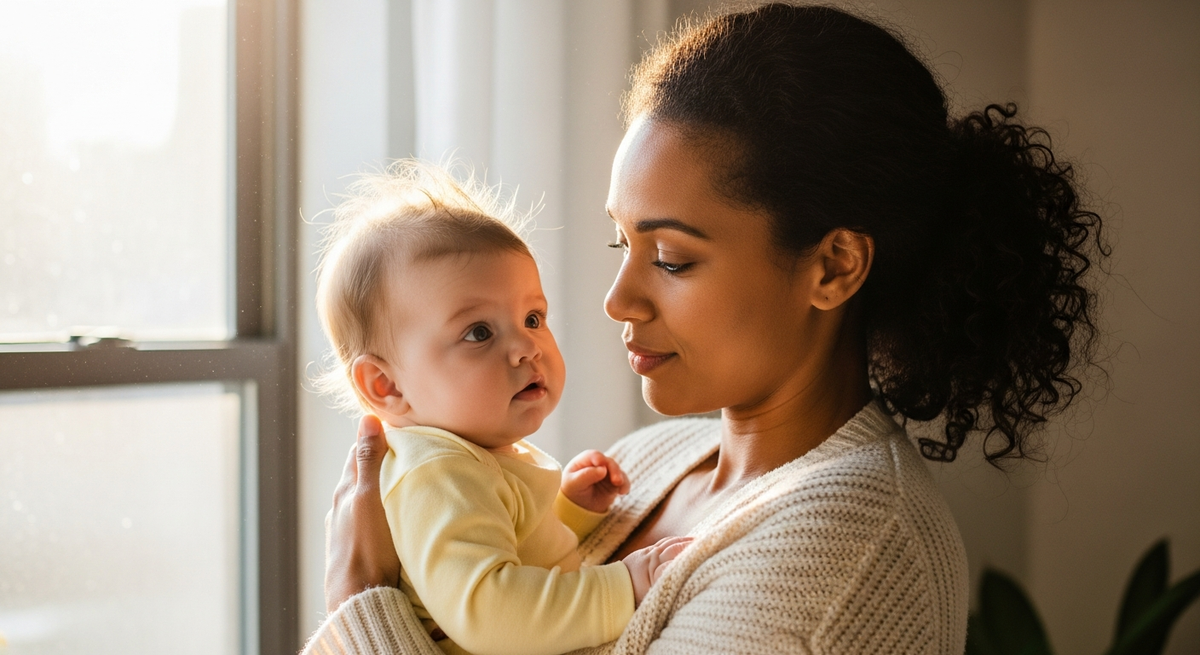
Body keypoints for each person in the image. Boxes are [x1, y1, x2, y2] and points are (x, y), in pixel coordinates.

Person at [305, 4, 1107, 654]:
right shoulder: (648, 460)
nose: (618, 299)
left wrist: (359, 609)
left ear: (832, 267)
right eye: (623, 243)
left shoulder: (850, 550)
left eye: (673, 259)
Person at [311, 161, 690, 655]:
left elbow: (507, 551)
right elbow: (491, 613)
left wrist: (566, 513)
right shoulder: (438, 471)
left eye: (533, 317)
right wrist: (627, 585)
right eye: (479, 332)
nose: (526, 348)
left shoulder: (467, 461)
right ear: (386, 385)